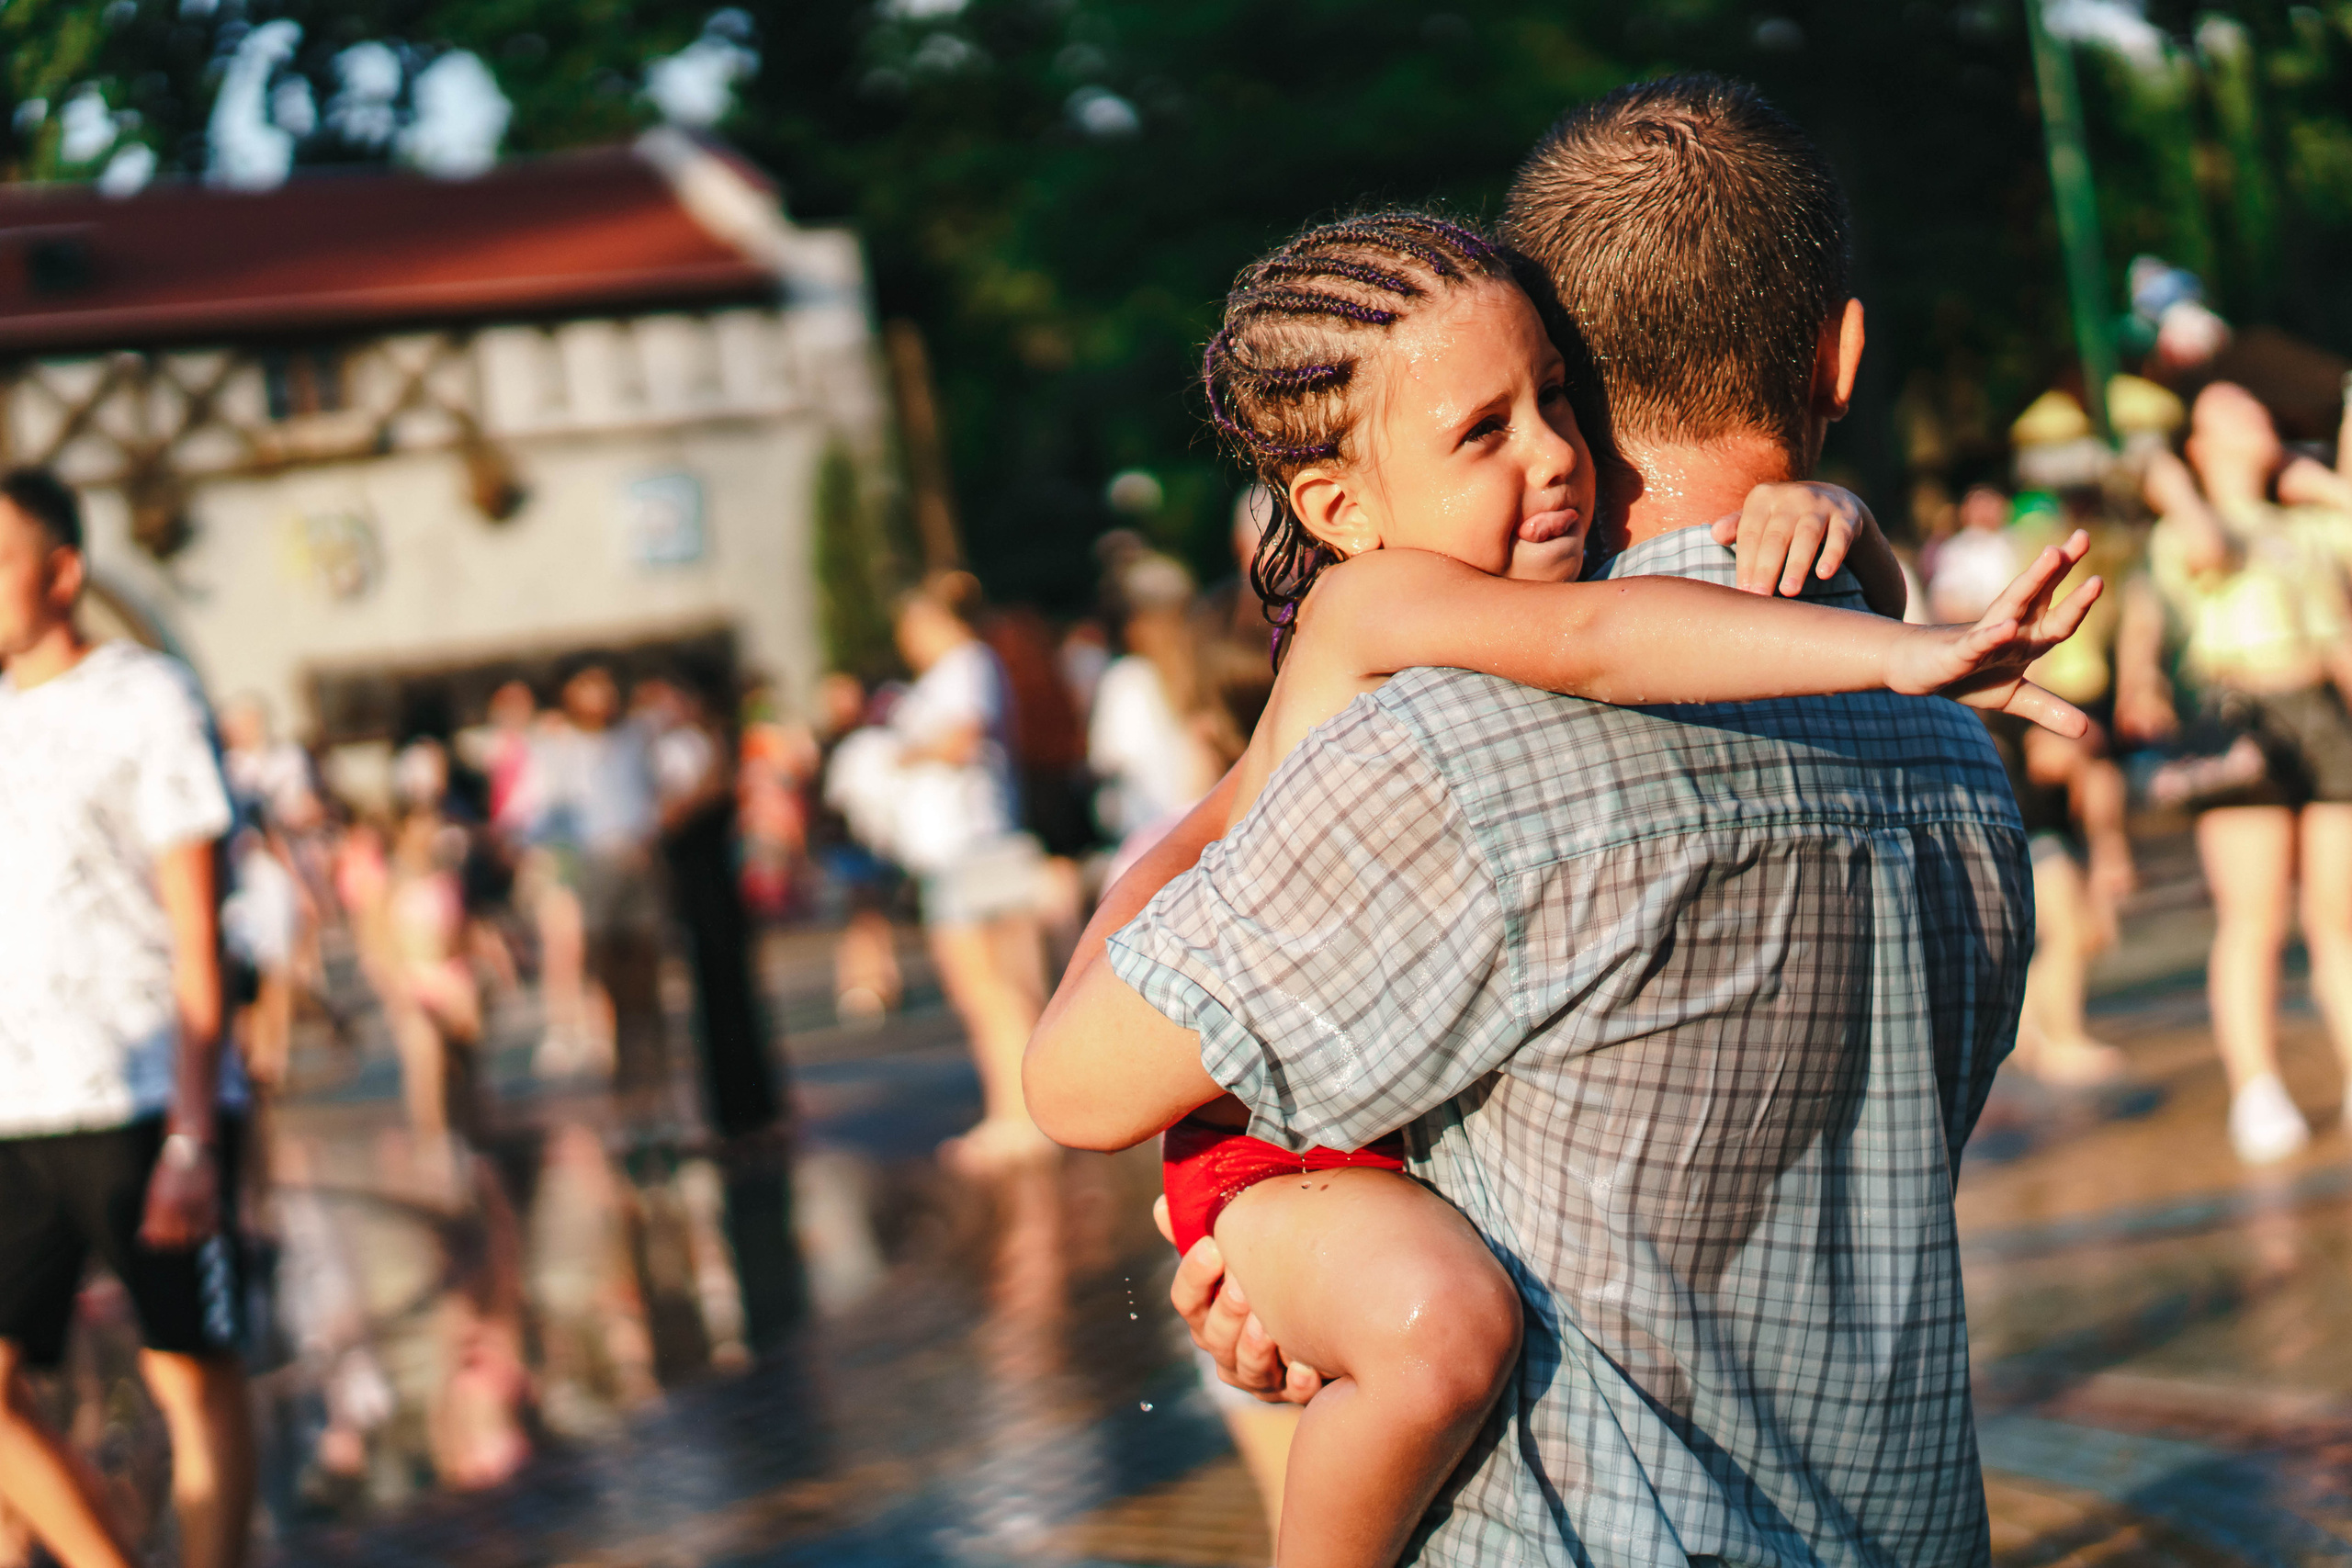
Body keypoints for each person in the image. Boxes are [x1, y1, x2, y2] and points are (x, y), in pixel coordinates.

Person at [1027, 182, 2093, 1567]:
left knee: (1435, 1321)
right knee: (1438, 1330)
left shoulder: (1484, 605)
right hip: (1268, 1144)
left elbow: (1640, 615)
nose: (1553, 454)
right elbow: (1604, 638)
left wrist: (1841, 525)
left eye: (1557, 399)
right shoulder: (1381, 603)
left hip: (1350, 1142)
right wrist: (1900, 650)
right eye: (1484, 430)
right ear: (1342, 505)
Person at [0, 467, 256, 1568]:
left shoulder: (144, 696)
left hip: (147, 1093)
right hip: (16, 1101)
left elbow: (198, 933)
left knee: (185, 1372)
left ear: (63, 572)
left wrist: (193, 1135)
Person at [2117, 383, 2352, 1162]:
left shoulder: (2304, 524)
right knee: (2255, 917)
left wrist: (2310, 476)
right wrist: (2175, 483)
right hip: (2241, 716)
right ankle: (2257, 1086)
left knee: (2340, 919)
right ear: (2200, 442)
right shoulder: (2179, 532)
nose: (2257, 419)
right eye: (2232, 414)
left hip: (2325, 709)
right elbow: (2207, 550)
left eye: (2261, 411)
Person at [889, 574, 1055, 1166]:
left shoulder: (964, 665)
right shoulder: (968, 666)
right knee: (1000, 987)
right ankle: (1020, 1111)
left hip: (973, 845)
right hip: (973, 845)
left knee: (992, 988)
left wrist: (904, 753)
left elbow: (962, 737)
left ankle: (1018, 1116)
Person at [534, 663, 671, 1111]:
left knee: (645, 980)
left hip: (636, 863)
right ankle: (627, 1089)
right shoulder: (561, 749)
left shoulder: (635, 738)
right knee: (608, 976)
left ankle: (655, 1085)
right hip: (595, 868)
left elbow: (657, 793)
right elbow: (553, 817)